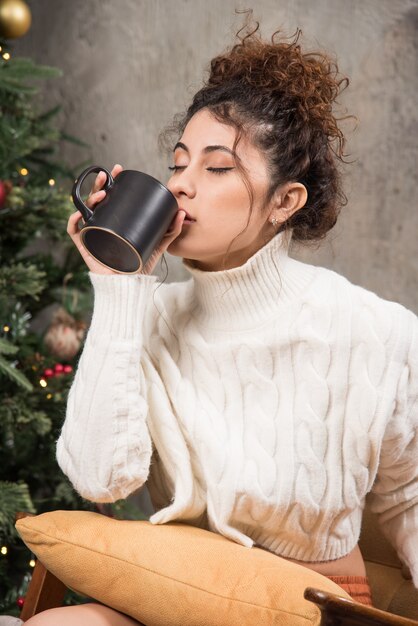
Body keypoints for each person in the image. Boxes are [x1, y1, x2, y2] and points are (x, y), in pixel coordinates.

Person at [25, 16, 417, 626]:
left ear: (285, 202)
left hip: (305, 610)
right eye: (178, 163)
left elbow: (407, 497)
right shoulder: (147, 317)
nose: (180, 186)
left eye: (216, 168)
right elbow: (100, 480)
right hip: (178, 591)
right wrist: (118, 288)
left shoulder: (374, 331)